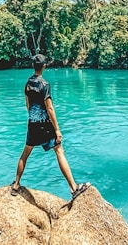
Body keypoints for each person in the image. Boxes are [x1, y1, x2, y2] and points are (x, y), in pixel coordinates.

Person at [10, 54, 90, 200]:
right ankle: (74, 188)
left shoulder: (28, 83)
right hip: (45, 125)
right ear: (44, 66)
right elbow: (50, 108)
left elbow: (28, 104)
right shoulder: (44, 85)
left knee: (25, 153)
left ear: (34, 66)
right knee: (59, 151)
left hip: (32, 124)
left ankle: (15, 185)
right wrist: (57, 130)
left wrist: (33, 118)